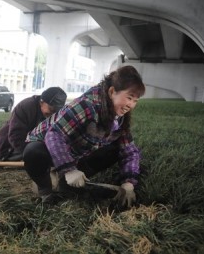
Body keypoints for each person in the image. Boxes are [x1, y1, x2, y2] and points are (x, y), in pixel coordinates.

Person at [22, 65, 145, 206]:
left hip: (75, 150)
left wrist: (129, 183)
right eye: (129, 98)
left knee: (114, 150)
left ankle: (67, 183)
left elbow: (129, 151)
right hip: (46, 145)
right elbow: (54, 135)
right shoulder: (88, 104)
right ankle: (45, 190)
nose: (131, 105)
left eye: (135, 101)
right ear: (112, 92)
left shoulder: (120, 117)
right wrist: (69, 169)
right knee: (33, 152)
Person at [0, 87, 67, 161]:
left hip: (32, 145)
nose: (52, 114)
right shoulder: (26, 106)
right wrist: (33, 154)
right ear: (41, 102)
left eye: (56, 112)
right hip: (10, 148)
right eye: (51, 110)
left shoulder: (54, 114)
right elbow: (15, 136)